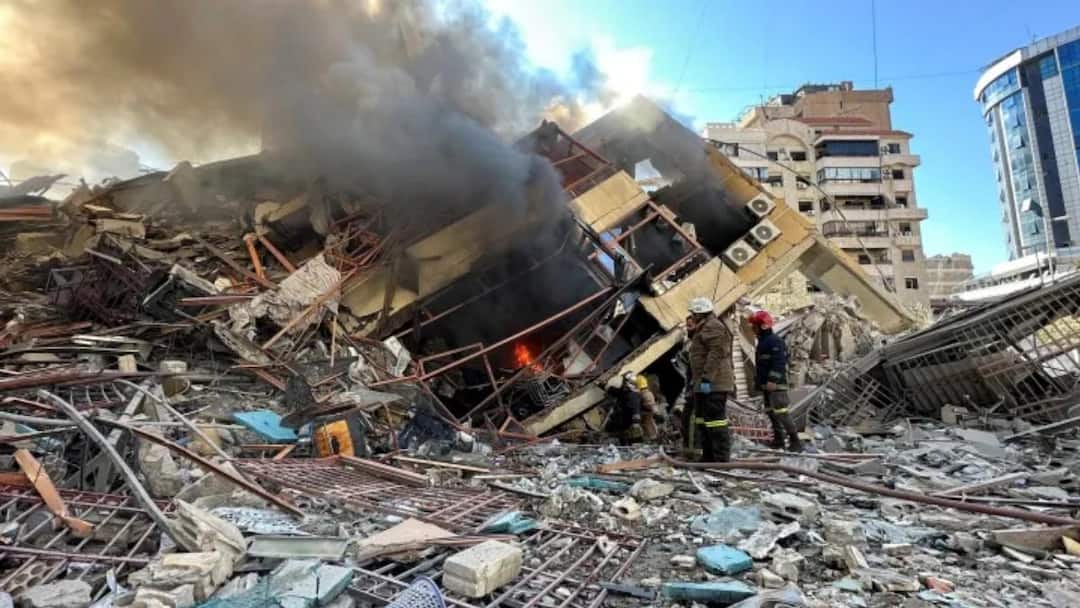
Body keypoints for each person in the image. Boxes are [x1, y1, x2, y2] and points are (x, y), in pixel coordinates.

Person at [685, 297, 734, 462]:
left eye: (694, 313)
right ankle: (708, 456)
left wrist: (707, 378)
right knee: (702, 420)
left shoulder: (713, 326)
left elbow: (716, 353)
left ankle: (720, 458)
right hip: (703, 383)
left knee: (715, 421)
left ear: (701, 313)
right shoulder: (704, 327)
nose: (692, 316)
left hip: (714, 383)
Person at [748, 310, 803, 452]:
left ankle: (795, 442)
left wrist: (773, 380)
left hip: (776, 386)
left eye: (754, 325)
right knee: (771, 413)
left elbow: (779, 362)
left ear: (763, 326)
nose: (752, 328)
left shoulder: (774, 341)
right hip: (766, 386)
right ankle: (779, 440)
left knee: (782, 412)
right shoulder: (763, 342)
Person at [606, 372, 644, 444]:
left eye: (624, 380)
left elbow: (635, 409)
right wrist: (604, 386)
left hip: (628, 423)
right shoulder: (628, 392)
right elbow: (617, 393)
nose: (623, 382)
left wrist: (636, 423)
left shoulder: (632, 395)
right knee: (624, 437)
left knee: (629, 440)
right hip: (624, 421)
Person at [635, 374, 659, 441]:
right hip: (649, 413)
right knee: (650, 424)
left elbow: (649, 405)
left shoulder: (643, 394)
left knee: (648, 425)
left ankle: (652, 438)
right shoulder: (648, 393)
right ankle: (653, 437)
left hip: (646, 414)